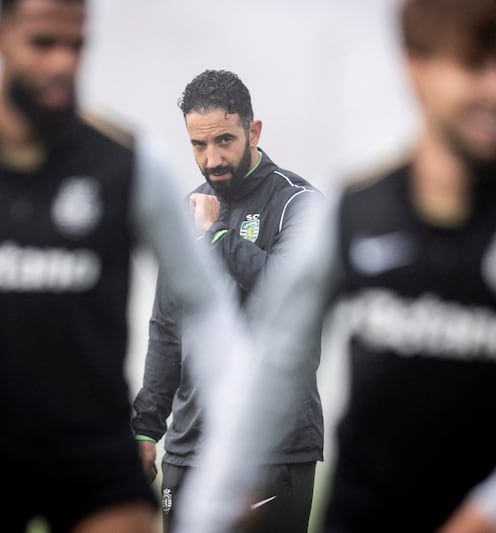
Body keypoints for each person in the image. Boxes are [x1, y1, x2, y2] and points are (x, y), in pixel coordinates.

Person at [175, 1, 496, 532]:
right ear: (416, 69)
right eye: (474, 66)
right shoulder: (354, 209)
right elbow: (276, 366)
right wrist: (214, 503)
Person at [0, 1, 248, 532]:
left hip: (93, 454)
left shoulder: (128, 161)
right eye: (43, 43)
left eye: (76, 45)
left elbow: (205, 304)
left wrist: (236, 450)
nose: (62, 63)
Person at [130, 69, 323, 533]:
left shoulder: (298, 204)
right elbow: (166, 327)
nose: (211, 159)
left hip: (273, 447)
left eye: (224, 141)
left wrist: (216, 236)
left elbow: (288, 297)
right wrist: (146, 428)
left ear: (253, 131)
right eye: (199, 145)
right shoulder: (186, 211)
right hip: (189, 447)